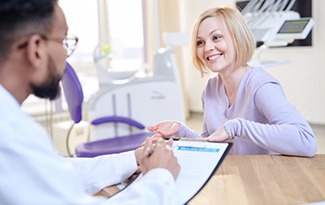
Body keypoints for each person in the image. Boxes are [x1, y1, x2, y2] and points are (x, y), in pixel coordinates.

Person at [0, 1, 180, 204]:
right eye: (63, 41)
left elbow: (55, 172)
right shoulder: (10, 131)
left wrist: (133, 159)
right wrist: (160, 177)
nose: (66, 54)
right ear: (36, 49)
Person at [148, 6, 317, 157]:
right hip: (233, 177)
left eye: (216, 38)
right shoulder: (211, 89)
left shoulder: (261, 86)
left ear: (238, 38)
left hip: (264, 178)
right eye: (200, 42)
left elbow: (306, 142)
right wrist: (180, 131)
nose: (207, 48)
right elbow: (210, 143)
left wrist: (238, 127)